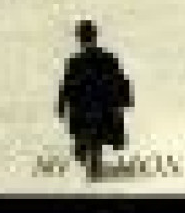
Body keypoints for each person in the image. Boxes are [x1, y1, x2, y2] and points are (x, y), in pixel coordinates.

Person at [56, 19, 133, 180]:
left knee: (87, 144)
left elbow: (67, 86)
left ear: (80, 38)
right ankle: (94, 172)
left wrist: (62, 106)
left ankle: (93, 174)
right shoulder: (107, 58)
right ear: (95, 36)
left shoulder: (76, 61)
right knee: (94, 143)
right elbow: (120, 80)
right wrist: (125, 100)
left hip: (84, 112)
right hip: (103, 110)